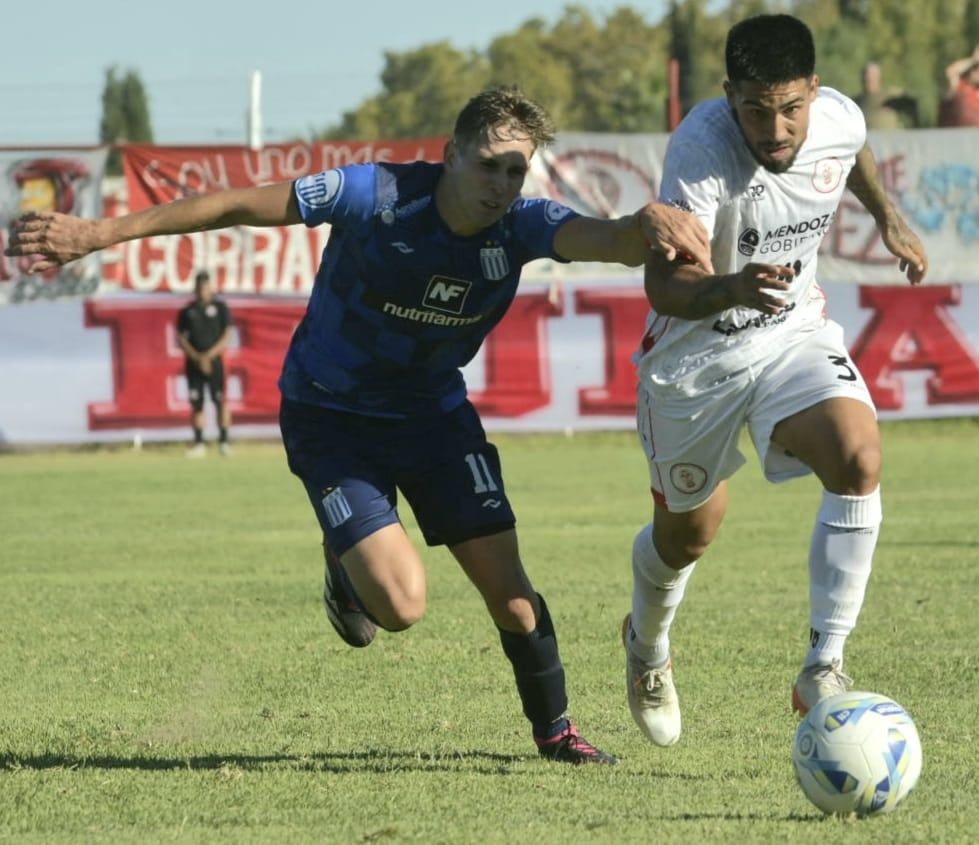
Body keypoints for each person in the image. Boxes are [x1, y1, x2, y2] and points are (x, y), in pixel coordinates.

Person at [6, 86, 711, 766]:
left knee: (513, 596)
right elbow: (234, 204)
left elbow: (611, 240)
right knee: (400, 608)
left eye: (514, 171)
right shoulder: (372, 193)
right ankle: (344, 561)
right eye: (488, 164)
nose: (500, 184)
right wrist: (100, 232)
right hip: (331, 417)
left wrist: (646, 223)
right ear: (451, 154)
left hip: (433, 416)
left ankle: (557, 735)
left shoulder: (523, 225)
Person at [620, 14, 928, 748]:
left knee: (858, 455)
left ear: (814, 91)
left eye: (791, 108)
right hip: (695, 361)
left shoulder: (838, 118)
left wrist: (887, 217)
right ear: (730, 96)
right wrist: (731, 287)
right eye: (756, 111)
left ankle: (824, 664)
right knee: (689, 535)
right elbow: (663, 287)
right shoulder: (701, 150)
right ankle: (646, 645)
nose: (776, 129)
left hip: (790, 334)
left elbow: (852, 150)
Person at [177, 270, 234, 457]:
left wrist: (209, 356)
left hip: (216, 363)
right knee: (197, 403)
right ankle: (199, 443)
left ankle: (224, 442)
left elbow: (227, 335)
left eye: (206, 287)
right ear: (195, 288)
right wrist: (197, 357)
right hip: (194, 364)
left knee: (220, 401)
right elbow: (181, 338)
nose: (203, 291)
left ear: (211, 287)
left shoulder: (221, 308)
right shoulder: (187, 311)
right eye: (200, 287)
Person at [853, 62, 918, 131]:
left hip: (888, 137)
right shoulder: (854, 102)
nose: (867, 78)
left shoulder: (891, 95)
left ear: (879, 77)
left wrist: (914, 130)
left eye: (871, 75)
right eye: (865, 74)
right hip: (866, 137)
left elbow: (912, 104)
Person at [938, 45, 979, 128]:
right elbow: (951, 71)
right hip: (957, 134)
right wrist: (973, 60)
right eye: (978, 67)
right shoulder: (958, 86)